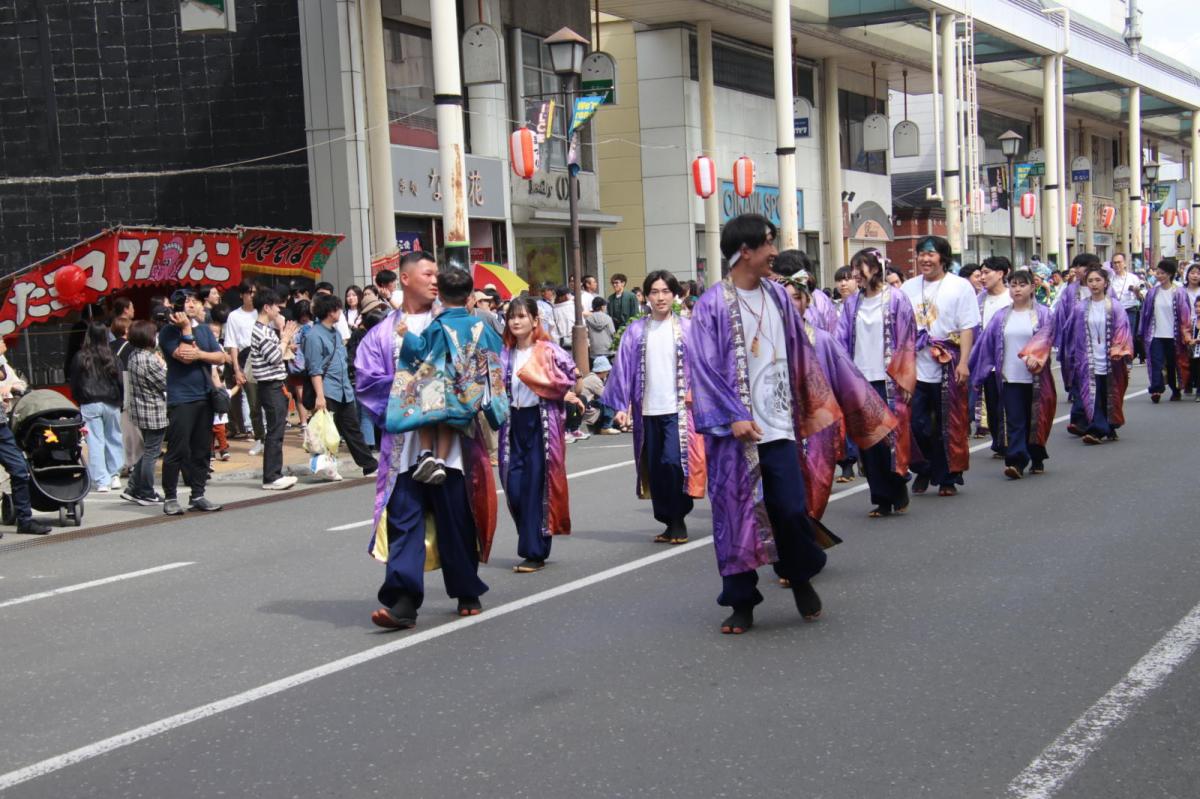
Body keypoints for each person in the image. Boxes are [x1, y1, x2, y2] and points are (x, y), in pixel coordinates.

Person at [688, 214, 867, 636]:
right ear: (745, 251)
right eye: (768, 243)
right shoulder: (712, 304)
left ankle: (800, 575)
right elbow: (704, 368)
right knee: (736, 517)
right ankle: (741, 601)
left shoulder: (779, 297)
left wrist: (810, 402)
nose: (775, 251)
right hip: (734, 435)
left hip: (779, 423)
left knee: (788, 508)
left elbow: (799, 352)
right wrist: (733, 416)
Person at [355, 251, 497, 629]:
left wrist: (446, 388)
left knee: (455, 516)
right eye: (428, 273)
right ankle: (402, 600)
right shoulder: (382, 334)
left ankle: (466, 588)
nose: (436, 280)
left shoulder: (454, 321)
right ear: (404, 278)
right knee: (405, 518)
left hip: (452, 441)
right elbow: (367, 383)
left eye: (438, 274)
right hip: (404, 447)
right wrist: (418, 387)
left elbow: (479, 366)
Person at [602, 270, 707, 545]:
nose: (660, 297)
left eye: (665, 291)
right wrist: (621, 406)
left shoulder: (687, 329)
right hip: (647, 409)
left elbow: (704, 367)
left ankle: (679, 518)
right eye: (654, 292)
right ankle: (666, 519)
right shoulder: (636, 331)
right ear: (646, 296)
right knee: (655, 466)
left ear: (675, 295)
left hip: (678, 411)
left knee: (674, 462)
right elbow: (622, 369)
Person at [394, 268, 502, 483]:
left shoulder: (439, 324)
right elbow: (496, 349)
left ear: (440, 296)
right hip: (468, 394)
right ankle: (441, 461)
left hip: (438, 389)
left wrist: (406, 335)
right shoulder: (479, 324)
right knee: (448, 424)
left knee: (426, 400)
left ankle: (426, 453)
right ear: (469, 297)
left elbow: (422, 351)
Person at [835, 248, 917, 518]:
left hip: (889, 379)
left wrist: (905, 378)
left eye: (861, 268)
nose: (856, 275)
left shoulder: (896, 299)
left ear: (876, 268)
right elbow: (840, 341)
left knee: (890, 440)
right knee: (868, 443)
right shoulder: (851, 304)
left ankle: (898, 486)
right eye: (853, 269)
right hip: (860, 382)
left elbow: (907, 340)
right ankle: (881, 497)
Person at [499, 297, 578, 573]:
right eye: (512, 317)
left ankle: (534, 550)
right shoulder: (504, 353)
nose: (517, 321)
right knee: (514, 485)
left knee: (536, 486)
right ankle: (534, 539)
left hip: (540, 423)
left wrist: (540, 381)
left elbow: (570, 377)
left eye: (522, 316)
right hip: (513, 425)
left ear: (535, 320)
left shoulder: (548, 350)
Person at [900, 235, 980, 497]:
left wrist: (964, 363)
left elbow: (968, 327)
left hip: (949, 361)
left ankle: (948, 476)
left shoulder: (960, 287)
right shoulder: (907, 288)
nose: (925, 258)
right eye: (921, 253)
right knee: (916, 423)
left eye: (931, 253)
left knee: (949, 422)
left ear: (942, 258)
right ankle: (924, 467)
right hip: (917, 362)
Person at [968, 270, 1055, 479]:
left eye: (1022, 285)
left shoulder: (1043, 314)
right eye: (1013, 285)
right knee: (1015, 420)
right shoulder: (1001, 316)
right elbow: (985, 346)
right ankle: (1016, 461)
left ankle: (1037, 455)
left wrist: (1037, 357)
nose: (1017, 289)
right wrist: (974, 373)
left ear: (1032, 288)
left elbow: (1048, 339)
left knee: (1036, 419)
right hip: (1009, 377)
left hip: (1036, 379)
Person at [1033, 265, 1132, 444]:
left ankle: (1110, 425)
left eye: (1098, 280)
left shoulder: (1115, 307)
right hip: (1087, 360)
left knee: (1109, 393)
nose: (1094, 284)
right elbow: (1066, 329)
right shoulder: (1080, 308)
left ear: (1106, 283)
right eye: (1091, 281)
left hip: (1111, 360)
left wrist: (1118, 348)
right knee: (1091, 394)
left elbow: (1122, 330)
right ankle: (1096, 429)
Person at [158, 288, 226, 515]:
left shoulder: (205, 330)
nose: (189, 305)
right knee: (177, 448)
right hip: (182, 397)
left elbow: (220, 356)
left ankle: (198, 494)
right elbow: (184, 356)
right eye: (184, 302)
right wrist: (185, 329)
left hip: (205, 396)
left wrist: (201, 355)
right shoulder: (168, 332)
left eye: (193, 301)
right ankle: (170, 497)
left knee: (201, 449)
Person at [304, 293, 379, 477]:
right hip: (328, 390)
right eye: (338, 309)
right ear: (331, 312)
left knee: (352, 428)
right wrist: (320, 396)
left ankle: (369, 465)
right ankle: (328, 467)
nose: (340, 312)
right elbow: (315, 369)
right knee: (327, 431)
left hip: (344, 389)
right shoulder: (314, 335)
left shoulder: (336, 333)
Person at [249, 289, 299, 491]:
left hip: (274, 385)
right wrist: (285, 338)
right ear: (267, 307)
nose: (279, 310)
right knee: (275, 431)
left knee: (277, 430)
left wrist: (285, 340)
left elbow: (278, 354)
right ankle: (271, 476)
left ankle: (274, 474)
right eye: (276, 306)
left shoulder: (266, 329)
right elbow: (276, 357)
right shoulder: (260, 331)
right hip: (270, 386)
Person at [0, 338, 50, 535]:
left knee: (20, 469)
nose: (4, 342)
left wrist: (12, 388)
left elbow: (16, 382)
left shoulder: (3, 363)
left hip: (1, 425)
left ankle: (25, 520)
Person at [69, 321, 125, 492]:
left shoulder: (80, 356)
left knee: (95, 441)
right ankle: (115, 475)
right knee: (114, 437)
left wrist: (79, 400)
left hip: (89, 402)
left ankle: (102, 481)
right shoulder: (112, 356)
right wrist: (121, 401)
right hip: (111, 401)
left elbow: (75, 382)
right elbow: (121, 381)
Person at [121, 321, 167, 505]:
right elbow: (164, 382)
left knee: (148, 450)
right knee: (151, 453)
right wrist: (163, 365)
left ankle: (133, 487)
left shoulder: (133, 355)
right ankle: (146, 491)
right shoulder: (148, 359)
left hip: (140, 410)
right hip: (153, 411)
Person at [1138, 258, 1192, 403]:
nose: (1158, 275)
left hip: (1174, 335)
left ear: (1170, 274)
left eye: (1162, 273)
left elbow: (1185, 315)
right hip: (1156, 334)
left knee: (1173, 364)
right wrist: (1141, 331)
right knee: (1156, 362)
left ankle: (1175, 390)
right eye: (1157, 272)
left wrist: (1186, 334)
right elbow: (1145, 313)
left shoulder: (1179, 292)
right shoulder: (1152, 293)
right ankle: (1156, 389)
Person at [975, 255, 1014, 454]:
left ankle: (1012, 441)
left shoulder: (1012, 297)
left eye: (986, 273)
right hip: (987, 363)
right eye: (980, 273)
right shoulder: (979, 300)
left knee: (1010, 402)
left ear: (1001, 274)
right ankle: (999, 441)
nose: (982, 277)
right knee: (992, 403)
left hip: (1010, 361)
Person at [224, 281, 260, 446]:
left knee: (265, 395)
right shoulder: (234, 316)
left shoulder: (262, 312)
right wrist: (237, 369)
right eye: (248, 292)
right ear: (241, 295)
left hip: (262, 356)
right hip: (245, 357)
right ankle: (252, 428)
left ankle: (264, 428)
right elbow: (232, 344)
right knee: (249, 396)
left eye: (254, 292)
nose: (251, 296)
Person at [1108, 253, 1144, 364]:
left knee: (1129, 335)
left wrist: (1137, 291)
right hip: (1114, 311)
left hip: (1129, 309)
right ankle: (1117, 357)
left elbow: (1141, 297)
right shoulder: (1109, 279)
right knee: (1114, 335)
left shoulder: (1133, 278)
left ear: (1124, 263)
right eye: (1114, 263)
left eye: (1119, 262)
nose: (1117, 265)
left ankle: (1128, 358)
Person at [569, 355, 616, 440]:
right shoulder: (595, 380)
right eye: (607, 371)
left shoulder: (591, 377)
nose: (608, 373)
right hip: (586, 407)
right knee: (607, 401)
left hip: (584, 405)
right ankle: (606, 427)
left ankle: (607, 425)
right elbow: (606, 395)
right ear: (603, 370)